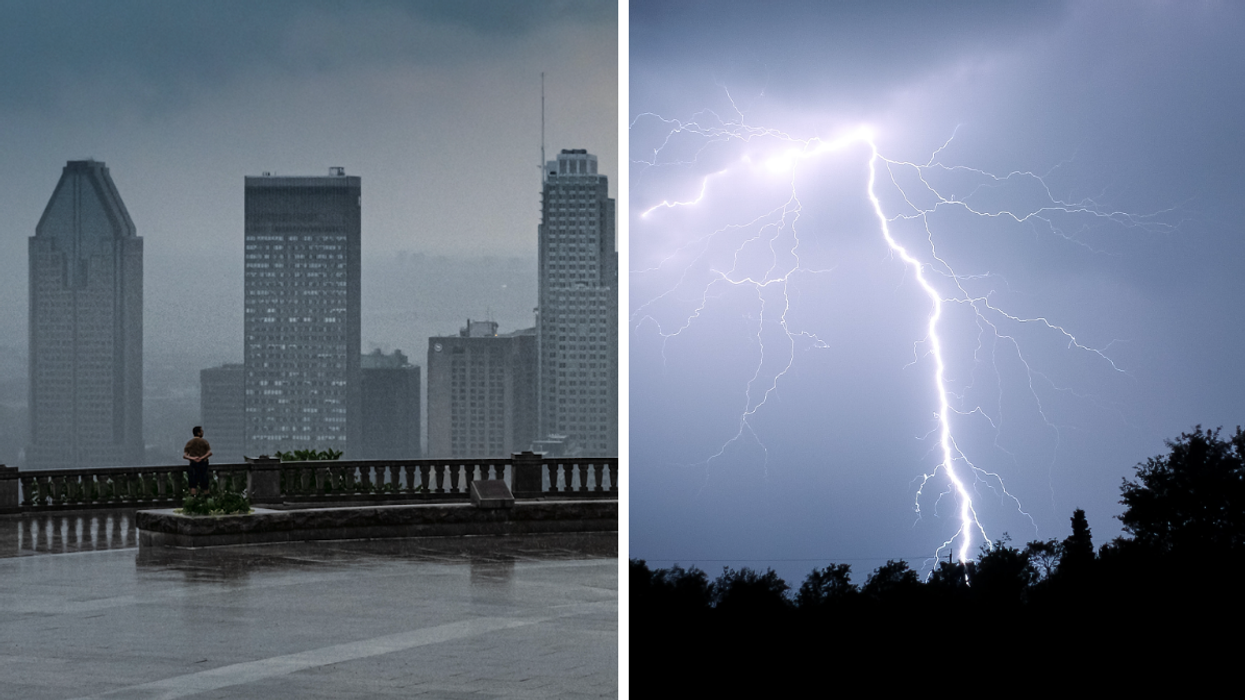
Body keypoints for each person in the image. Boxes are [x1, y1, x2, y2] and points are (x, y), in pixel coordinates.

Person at [183, 426, 213, 497]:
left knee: (193, 483)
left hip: (193, 464)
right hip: (203, 464)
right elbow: (209, 453)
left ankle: (193, 498)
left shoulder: (189, 443)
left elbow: (185, 456)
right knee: (205, 482)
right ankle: (206, 498)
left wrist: (193, 458)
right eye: (201, 431)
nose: (202, 433)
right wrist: (202, 458)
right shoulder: (204, 442)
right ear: (199, 433)